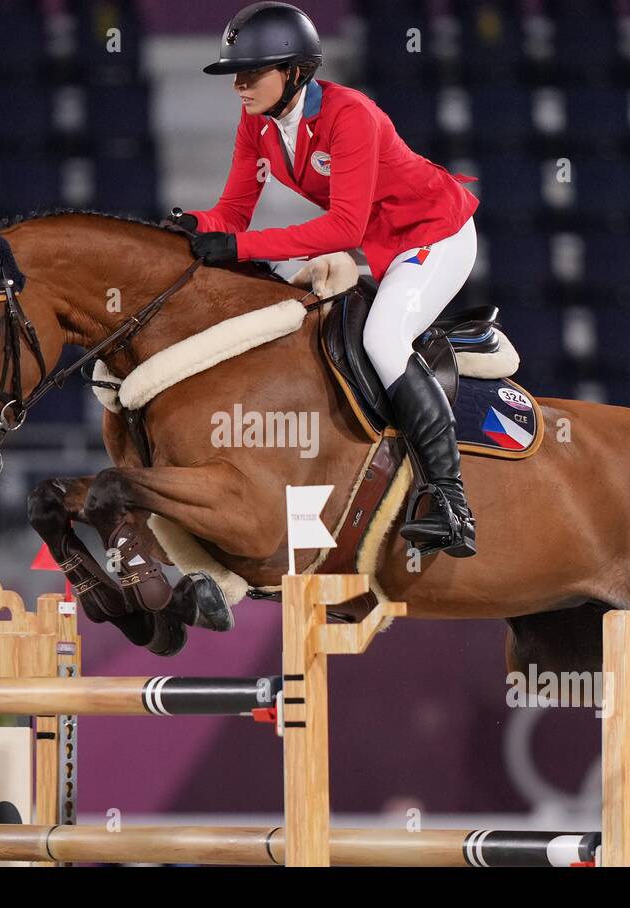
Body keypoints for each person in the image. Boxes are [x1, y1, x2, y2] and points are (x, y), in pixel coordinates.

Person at [167, 1, 482, 558]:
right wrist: (191, 226)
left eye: (251, 73)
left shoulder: (349, 114)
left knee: (384, 340)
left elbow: (343, 226)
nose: (239, 85)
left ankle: (450, 502)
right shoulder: (258, 123)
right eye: (234, 74)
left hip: (435, 234)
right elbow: (232, 215)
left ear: (294, 72)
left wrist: (237, 247)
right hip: (386, 245)